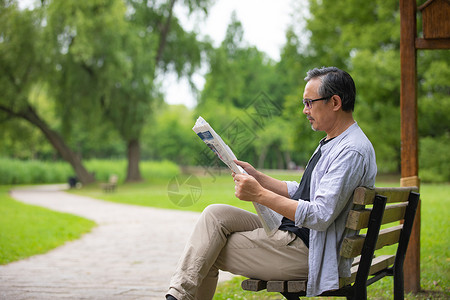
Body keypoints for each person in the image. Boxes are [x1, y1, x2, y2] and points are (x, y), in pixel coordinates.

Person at [166, 67, 377, 299]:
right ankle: (176, 295)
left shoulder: (350, 151)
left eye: (309, 102)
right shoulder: (333, 141)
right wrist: (258, 177)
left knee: (205, 252)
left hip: (309, 251)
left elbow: (320, 215)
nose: (304, 110)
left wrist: (259, 195)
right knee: (215, 215)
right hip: (294, 235)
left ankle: (175, 296)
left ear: (335, 102)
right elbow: (304, 192)